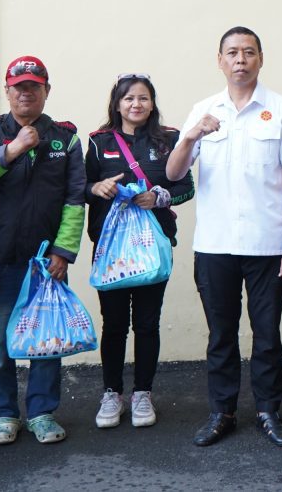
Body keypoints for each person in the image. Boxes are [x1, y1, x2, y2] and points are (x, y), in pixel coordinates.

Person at [166, 26, 282, 448]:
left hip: (269, 246)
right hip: (214, 247)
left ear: (260, 59)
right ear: (220, 60)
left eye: (249, 52)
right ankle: (222, 411)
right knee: (221, 335)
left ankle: (268, 410)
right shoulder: (204, 109)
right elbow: (175, 174)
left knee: (267, 334)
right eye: (232, 53)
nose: (241, 60)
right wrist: (191, 134)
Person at [0, 55, 85, 446]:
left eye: (34, 86)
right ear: (8, 91)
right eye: (19, 87)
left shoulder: (66, 139)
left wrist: (63, 252)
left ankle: (43, 412)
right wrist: (12, 148)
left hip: (45, 262)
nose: (26, 92)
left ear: (46, 91)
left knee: (46, 342)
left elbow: (74, 198)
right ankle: (4, 415)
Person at [85, 74, 195, 429]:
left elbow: (185, 186)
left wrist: (158, 197)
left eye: (143, 98)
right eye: (129, 98)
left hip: (154, 245)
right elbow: (80, 187)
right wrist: (96, 186)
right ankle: (111, 393)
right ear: (117, 104)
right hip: (111, 248)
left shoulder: (169, 140)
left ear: (152, 103)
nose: (136, 104)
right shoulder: (99, 142)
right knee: (114, 324)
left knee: (147, 323)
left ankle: (143, 393)